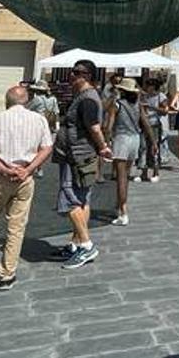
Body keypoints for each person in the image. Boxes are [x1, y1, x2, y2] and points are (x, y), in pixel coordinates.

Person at [0, 86, 53, 290]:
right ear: (27, 100)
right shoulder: (38, 119)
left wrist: (3, 168)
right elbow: (47, 147)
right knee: (16, 227)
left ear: (7, 101)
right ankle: (7, 273)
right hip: (24, 177)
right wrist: (29, 168)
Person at [51, 59, 113, 268]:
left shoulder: (87, 99)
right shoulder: (83, 96)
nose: (71, 75)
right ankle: (76, 243)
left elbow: (94, 128)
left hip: (76, 156)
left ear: (87, 76)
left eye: (76, 72)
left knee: (69, 199)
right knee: (83, 199)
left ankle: (86, 245)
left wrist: (103, 147)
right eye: (72, 71)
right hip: (78, 155)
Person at [103, 78, 155, 227]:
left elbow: (108, 126)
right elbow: (145, 123)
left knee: (121, 177)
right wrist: (153, 142)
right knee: (126, 175)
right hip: (135, 139)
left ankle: (123, 211)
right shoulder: (137, 105)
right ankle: (119, 205)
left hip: (121, 139)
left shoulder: (117, 104)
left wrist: (106, 142)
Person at [138, 78, 168, 182]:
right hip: (144, 124)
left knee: (154, 148)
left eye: (148, 86)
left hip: (155, 124)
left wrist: (151, 106)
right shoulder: (144, 96)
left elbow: (165, 111)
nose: (146, 88)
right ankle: (144, 172)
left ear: (153, 87)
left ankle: (156, 172)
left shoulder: (161, 96)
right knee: (143, 147)